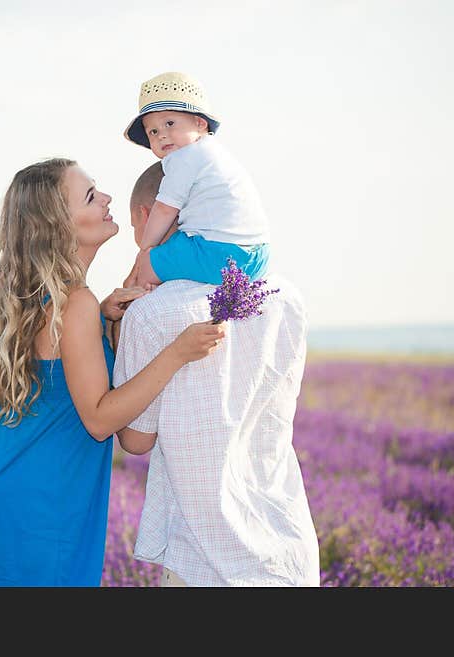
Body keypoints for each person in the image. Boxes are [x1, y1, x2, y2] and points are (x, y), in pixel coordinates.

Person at [0, 158, 226, 586]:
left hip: (5, 484)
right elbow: (100, 420)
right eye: (89, 196)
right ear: (58, 225)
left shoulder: (52, 300)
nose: (106, 199)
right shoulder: (75, 303)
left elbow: (57, 379)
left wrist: (105, 323)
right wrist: (177, 353)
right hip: (41, 501)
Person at [113, 161, 320, 587]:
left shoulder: (151, 314)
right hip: (289, 543)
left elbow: (135, 440)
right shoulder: (285, 297)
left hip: (206, 557)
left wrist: (118, 333)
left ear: (145, 215)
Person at [122, 71, 271, 290]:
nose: (161, 134)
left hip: (221, 253)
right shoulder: (215, 153)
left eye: (170, 123)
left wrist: (146, 251)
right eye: (153, 131)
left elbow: (164, 209)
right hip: (259, 255)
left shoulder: (183, 157)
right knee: (174, 251)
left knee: (147, 267)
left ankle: (142, 302)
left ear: (200, 123)